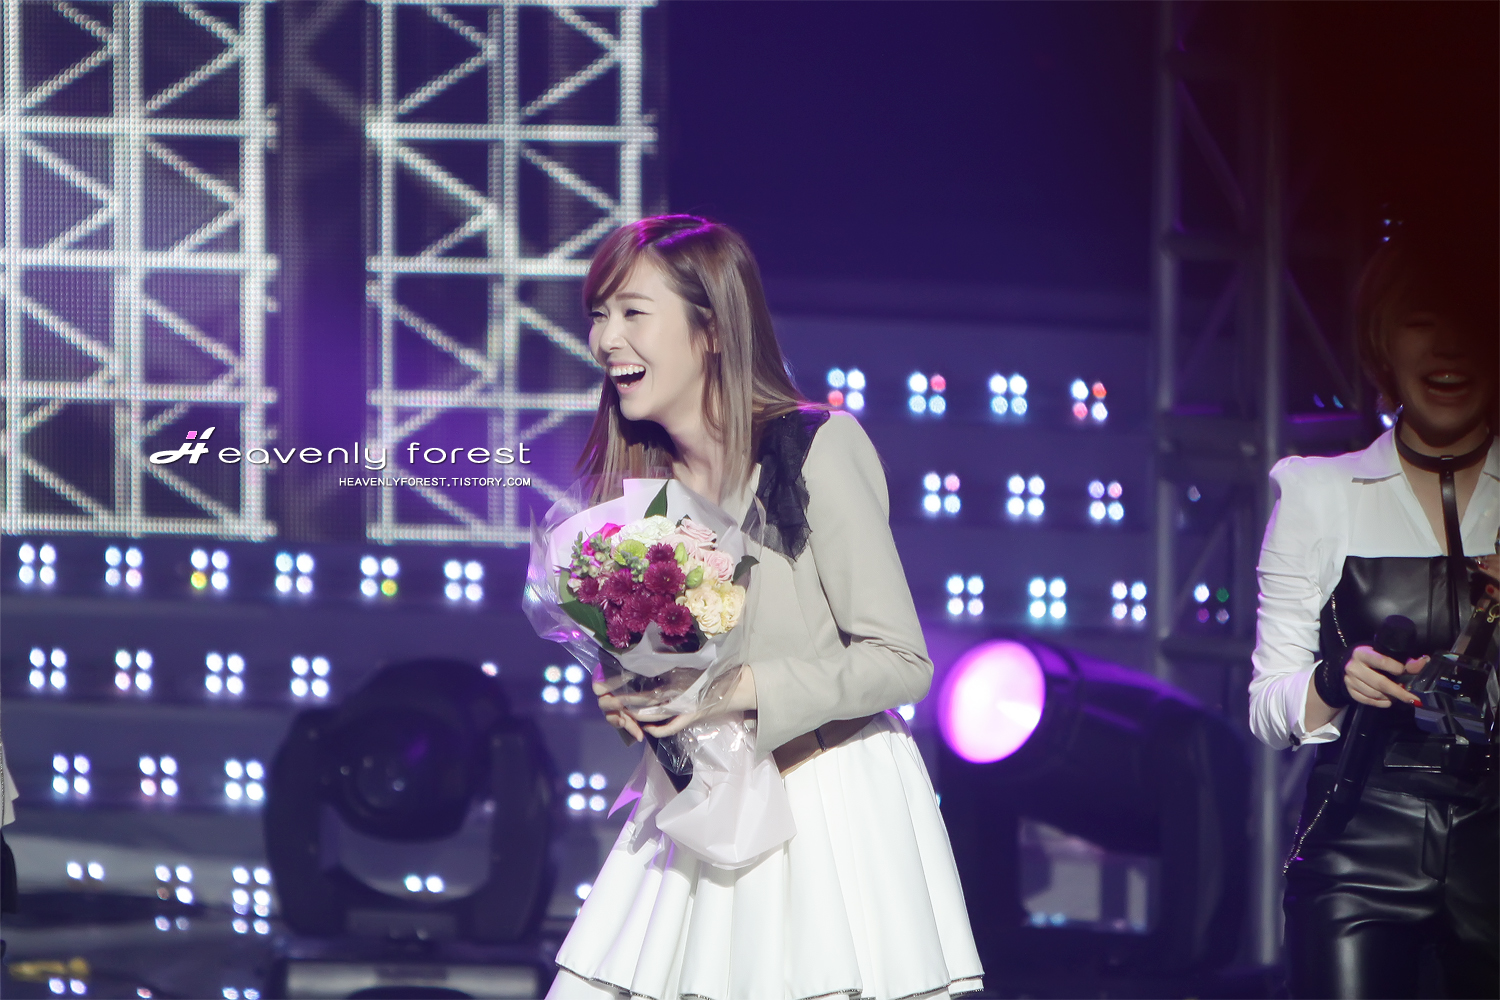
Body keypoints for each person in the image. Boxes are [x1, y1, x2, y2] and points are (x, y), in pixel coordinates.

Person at [544, 215, 985, 1000]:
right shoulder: (640, 497)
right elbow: (670, 670)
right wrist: (635, 698)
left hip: (826, 805)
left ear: (712, 329)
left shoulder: (814, 448)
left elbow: (900, 662)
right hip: (701, 812)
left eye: (633, 312)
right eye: (599, 315)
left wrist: (739, 689)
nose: (607, 339)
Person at [1248, 216, 1498, 999]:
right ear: (1383, 346)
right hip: (1362, 839)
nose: (1448, 347)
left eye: (1469, 321)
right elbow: (1266, 707)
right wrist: (1336, 679)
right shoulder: (1320, 493)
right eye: (1422, 322)